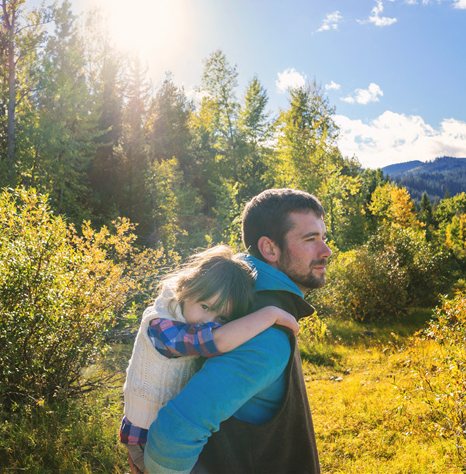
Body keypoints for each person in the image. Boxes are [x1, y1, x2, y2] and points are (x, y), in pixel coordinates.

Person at [142, 188, 332, 474]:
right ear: (270, 248)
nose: (326, 251)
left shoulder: (236, 294)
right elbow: (173, 436)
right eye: (310, 239)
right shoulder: (265, 330)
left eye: (324, 238)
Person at [121, 245, 301, 474]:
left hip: (160, 432)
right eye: (205, 307)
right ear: (186, 289)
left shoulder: (182, 313)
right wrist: (270, 314)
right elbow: (219, 340)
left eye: (221, 317)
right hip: (146, 439)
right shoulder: (162, 327)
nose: (209, 322)